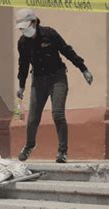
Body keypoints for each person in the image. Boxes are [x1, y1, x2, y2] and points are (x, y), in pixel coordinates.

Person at [15, 9, 93, 163]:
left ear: (34, 22)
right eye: (21, 28)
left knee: (57, 114)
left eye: (26, 27)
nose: (24, 31)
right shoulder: (23, 43)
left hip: (57, 78)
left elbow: (66, 50)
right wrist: (21, 86)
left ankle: (62, 152)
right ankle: (29, 145)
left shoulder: (50, 34)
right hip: (38, 81)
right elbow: (23, 65)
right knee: (32, 119)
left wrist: (83, 69)